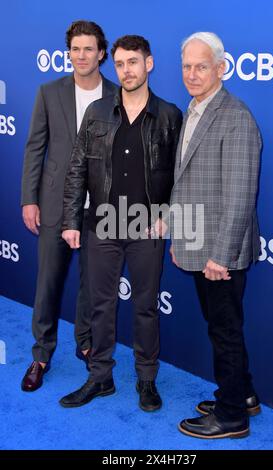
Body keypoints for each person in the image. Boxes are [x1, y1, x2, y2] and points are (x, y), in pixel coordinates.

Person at [59, 35, 182, 411]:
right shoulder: (96, 112)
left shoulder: (169, 116)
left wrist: (168, 216)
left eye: (133, 62)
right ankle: (100, 378)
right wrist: (70, 220)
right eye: (120, 64)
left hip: (146, 226)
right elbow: (77, 168)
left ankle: (146, 380)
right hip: (101, 224)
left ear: (149, 64)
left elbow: (183, 175)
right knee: (100, 305)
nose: (126, 70)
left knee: (145, 306)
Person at [170, 32, 262, 439]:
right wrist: (178, 236)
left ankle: (231, 417)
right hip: (198, 242)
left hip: (220, 252)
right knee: (222, 326)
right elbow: (187, 183)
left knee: (224, 330)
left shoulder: (235, 116)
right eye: (187, 66)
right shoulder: (194, 109)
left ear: (221, 68)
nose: (192, 74)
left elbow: (241, 194)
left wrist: (220, 257)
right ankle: (242, 396)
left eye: (201, 66)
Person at [21, 20, 117, 392]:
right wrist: (29, 198)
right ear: (69, 53)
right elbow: (35, 148)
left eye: (88, 49)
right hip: (55, 202)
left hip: (100, 206)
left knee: (93, 284)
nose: (81, 56)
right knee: (47, 282)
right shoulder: (49, 92)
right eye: (75, 49)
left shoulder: (116, 93)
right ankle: (41, 353)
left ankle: (86, 343)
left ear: (101, 54)